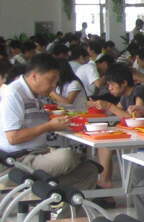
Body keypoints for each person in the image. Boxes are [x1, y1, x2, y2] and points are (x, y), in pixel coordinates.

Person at [0, 53, 99, 189]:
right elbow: (13, 137)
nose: (53, 86)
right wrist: (49, 126)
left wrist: (59, 123)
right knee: (67, 156)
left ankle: (53, 201)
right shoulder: (14, 94)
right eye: (51, 80)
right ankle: (39, 192)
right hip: (20, 160)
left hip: (41, 153)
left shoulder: (37, 95)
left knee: (90, 171)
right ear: (34, 76)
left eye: (56, 82)